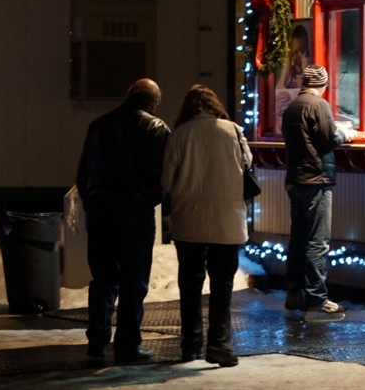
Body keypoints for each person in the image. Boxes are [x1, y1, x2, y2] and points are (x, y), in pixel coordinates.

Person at [75, 78, 170, 364]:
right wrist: (154, 199)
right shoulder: (156, 127)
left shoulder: (99, 125)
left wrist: (92, 202)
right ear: (153, 103)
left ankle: (97, 341)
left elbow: (83, 173)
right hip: (135, 211)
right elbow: (161, 175)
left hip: (101, 209)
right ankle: (128, 345)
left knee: (103, 277)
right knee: (133, 279)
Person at [161, 85, 250, 366]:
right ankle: (219, 345)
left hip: (189, 219)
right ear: (214, 105)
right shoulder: (234, 131)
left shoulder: (180, 134)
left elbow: (166, 180)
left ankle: (191, 344)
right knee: (222, 284)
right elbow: (247, 163)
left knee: (190, 284)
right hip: (227, 220)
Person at [280, 64, 361, 322]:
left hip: (296, 180)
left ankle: (294, 294)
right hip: (316, 180)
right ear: (323, 85)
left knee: (299, 239)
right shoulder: (319, 105)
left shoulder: (292, 106)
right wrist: (347, 133)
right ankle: (317, 300)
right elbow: (328, 139)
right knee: (318, 241)